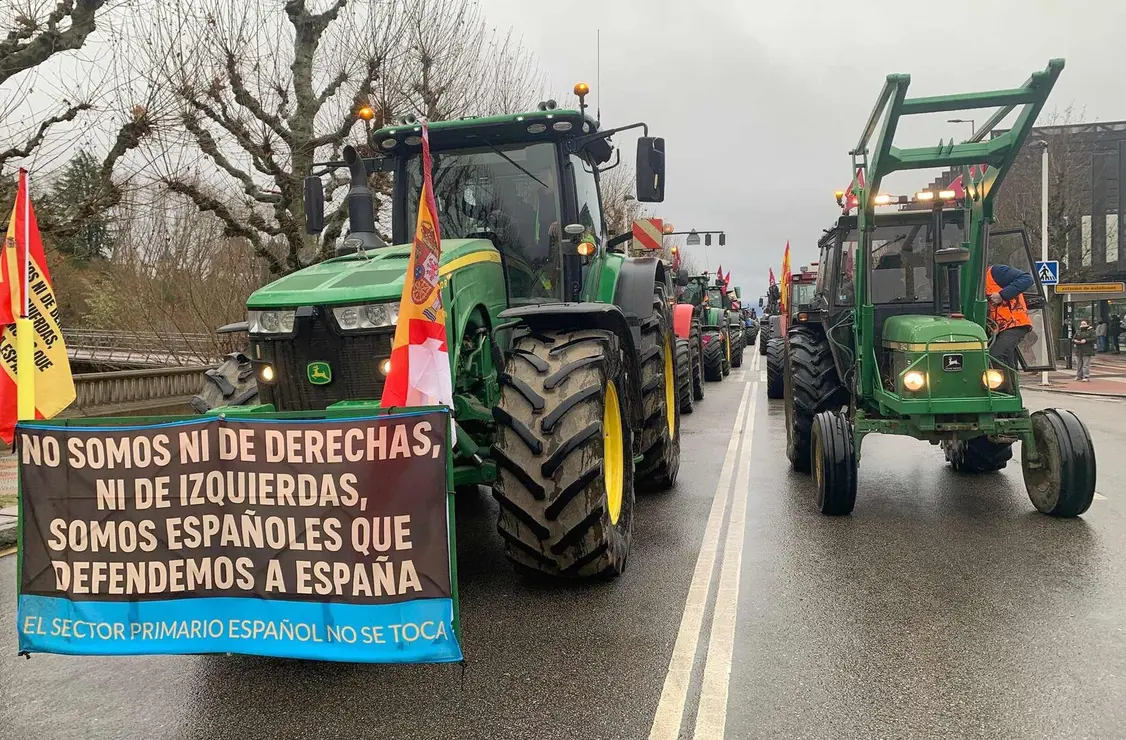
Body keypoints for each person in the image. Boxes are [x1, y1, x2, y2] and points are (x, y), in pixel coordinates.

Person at [985, 264, 1034, 385]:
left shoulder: (996, 272)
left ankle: (1007, 391)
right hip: (998, 329)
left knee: (996, 354)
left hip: (1014, 324)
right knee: (1006, 358)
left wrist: (1002, 295)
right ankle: (1011, 389)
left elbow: (1027, 279)